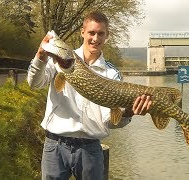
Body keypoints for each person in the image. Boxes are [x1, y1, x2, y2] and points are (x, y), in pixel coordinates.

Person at [27, 11, 152, 180]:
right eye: (91, 33)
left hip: (90, 149)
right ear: (82, 32)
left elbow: (110, 121)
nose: (95, 38)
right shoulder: (60, 60)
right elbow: (35, 83)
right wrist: (40, 56)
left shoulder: (112, 74)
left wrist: (129, 112)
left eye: (101, 33)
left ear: (107, 36)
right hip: (55, 145)